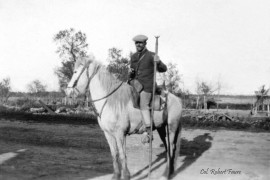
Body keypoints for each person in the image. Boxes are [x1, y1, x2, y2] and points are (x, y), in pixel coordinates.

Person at [129, 34, 167, 144]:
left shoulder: (151, 55)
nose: (138, 45)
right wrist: (130, 74)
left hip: (147, 87)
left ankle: (148, 130)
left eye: (140, 43)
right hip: (135, 85)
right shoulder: (133, 57)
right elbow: (133, 73)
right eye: (136, 43)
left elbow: (164, 69)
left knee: (143, 104)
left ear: (145, 43)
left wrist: (158, 62)